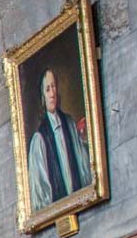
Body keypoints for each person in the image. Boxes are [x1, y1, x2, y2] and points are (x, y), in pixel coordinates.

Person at [26, 68, 92, 212]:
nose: (52, 93)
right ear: (43, 96)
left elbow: (84, 165)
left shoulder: (68, 123)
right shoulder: (39, 139)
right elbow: (41, 191)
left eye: (54, 86)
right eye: (48, 89)